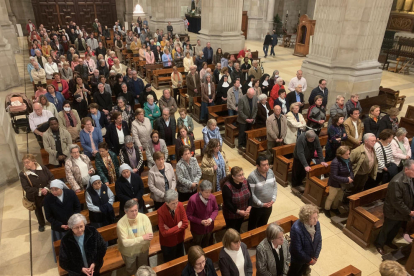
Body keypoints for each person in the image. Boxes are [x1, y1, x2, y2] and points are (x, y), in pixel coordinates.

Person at [375, 160, 414, 255]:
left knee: (396, 228)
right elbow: (397, 202)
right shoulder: (396, 182)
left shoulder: (409, 177)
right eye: (413, 170)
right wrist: (409, 212)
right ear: (406, 169)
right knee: (387, 228)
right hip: (393, 211)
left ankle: (388, 242)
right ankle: (379, 244)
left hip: (401, 212)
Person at [117, 199, 153, 275]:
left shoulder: (144, 217)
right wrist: (143, 238)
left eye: (136, 210)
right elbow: (125, 243)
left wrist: (132, 241)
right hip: (129, 252)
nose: (134, 213)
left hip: (143, 249)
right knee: (131, 270)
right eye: (131, 211)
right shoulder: (121, 223)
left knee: (143, 269)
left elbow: (149, 236)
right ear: (125, 211)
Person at [20, 154, 54, 232]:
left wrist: (46, 188)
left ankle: (51, 220)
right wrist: (39, 191)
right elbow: (26, 187)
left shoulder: (43, 168)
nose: (26, 164)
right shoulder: (23, 174)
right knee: (38, 211)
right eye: (24, 163)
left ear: (34, 161)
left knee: (49, 208)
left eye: (27, 162)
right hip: (34, 196)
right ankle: (41, 224)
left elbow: (51, 178)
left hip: (47, 193)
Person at [44, 180, 81, 247]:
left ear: (61, 188)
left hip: (73, 224)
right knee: (63, 246)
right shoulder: (47, 199)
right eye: (52, 190)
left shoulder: (70, 193)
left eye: (56, 189)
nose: (54, 192)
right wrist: (60, 225)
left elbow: (77, 207)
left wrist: (72, 222)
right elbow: (49, 216)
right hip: (59, 228)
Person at [343, 133, 378, 204]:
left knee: (360, 189)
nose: (374, 142)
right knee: (351, 190)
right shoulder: (357, 151)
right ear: (366, 141)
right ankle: (345, 204)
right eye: (372, 141)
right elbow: (347, 164)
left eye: (375, 141)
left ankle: (355, 203)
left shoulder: (373, 149)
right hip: (356, 175)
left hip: (365, 174)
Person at [287, 205, 322, 276]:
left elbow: (319, 240)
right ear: (306, 219)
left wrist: (316, 256)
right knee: (294, 273)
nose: (316, 220)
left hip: (310, 256)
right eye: (313, 218)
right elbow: (297, 250)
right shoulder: (296, 229)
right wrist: (309, 260)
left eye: (316, 217)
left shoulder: (316, 224)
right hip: (298, 259)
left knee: (304, 270)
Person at [158, 189, 189, 262]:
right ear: (166, 203)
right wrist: (177, 226)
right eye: (173, 203)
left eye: (176, 202)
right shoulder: (160, 212)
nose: (176, 205)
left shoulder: (180, 205)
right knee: (169, 264)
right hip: (167, 243)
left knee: (180, 261)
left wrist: (170, 230)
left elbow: (185, 224)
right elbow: (164, 233)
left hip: (179, 239)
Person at [247, 156, 277, 230]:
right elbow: (251, 194)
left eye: (267, 164)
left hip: (269, 205)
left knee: (263, 226)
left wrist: (273, 199)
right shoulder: (252, 176)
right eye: (263, 165)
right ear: (257, 166)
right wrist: (261, 204)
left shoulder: (270, 172)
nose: (266, 167)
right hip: (257, 208)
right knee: (252, 228)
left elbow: (275, 186)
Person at [324, 146, 354, 218]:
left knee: (339, 197)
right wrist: (347, 180)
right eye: (347, 154)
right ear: (341, 155)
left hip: (343, 184)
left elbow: (351, 170)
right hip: (335, 184)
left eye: (349, 153)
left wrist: (351, 177)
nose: (348, 155)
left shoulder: (347, 160)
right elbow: (334, 176)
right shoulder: (335, 162)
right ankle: (327, 209)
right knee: (331, 197)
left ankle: (334, 208)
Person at [220, 166, 252, 232]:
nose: (242, 177)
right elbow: (227, 203)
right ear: (233, 177)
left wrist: (249, 206)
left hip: (243, 212)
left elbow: (250, 195)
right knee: (231, 231)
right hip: (231, 214)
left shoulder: (245, 181)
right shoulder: (227, 187)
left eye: (242, 174)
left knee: (238, 228)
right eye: (239, 175)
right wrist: (239, 211)